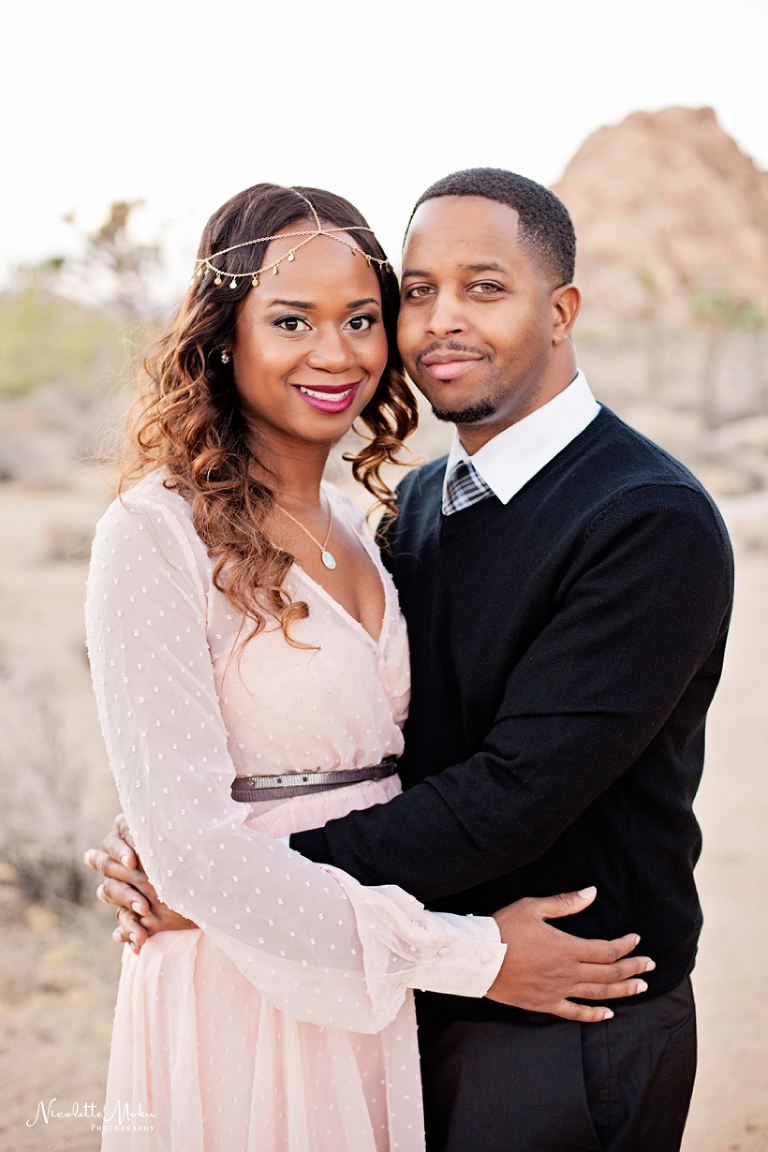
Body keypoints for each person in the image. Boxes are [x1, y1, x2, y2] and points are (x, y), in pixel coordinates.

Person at [84, 181, 652, 1152]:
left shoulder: (364, 529)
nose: (335, 351)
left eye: (360, 319)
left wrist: (202, 865)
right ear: (226, 334)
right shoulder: (154, 532)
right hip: (244, 979)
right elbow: (194, 848)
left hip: (372, 976)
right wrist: (473, 955)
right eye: (291, 319)